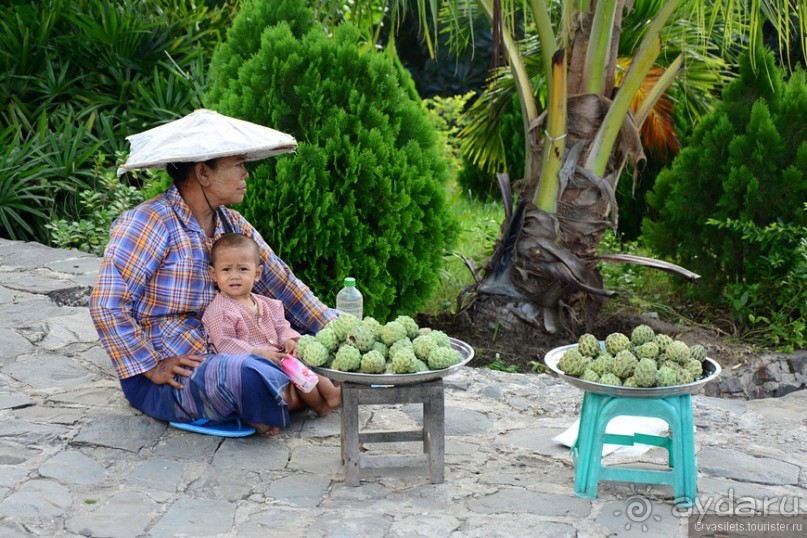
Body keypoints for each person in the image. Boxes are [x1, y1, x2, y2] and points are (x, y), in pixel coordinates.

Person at [89, 148, 339, 437]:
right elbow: (106, 304)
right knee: (249, 377)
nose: (246, 173)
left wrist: (340, 332)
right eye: (238, 164)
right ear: (203, 172)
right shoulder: (150, 222)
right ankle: (284, 394)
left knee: (307, 349)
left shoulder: (232, 225)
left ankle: (271, 402)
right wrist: (150, 365)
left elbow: (284, 285)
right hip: (171, 373)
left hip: (235, 351)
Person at [202, 232, 341, 416]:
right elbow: (224, 342)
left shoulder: (268, 304)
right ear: (214, 274)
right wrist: (256, 352)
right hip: (256, 363)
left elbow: (281, 326)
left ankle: (330, 392)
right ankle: (322, 404)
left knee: (303, 358)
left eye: (243, 269)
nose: (234, 276)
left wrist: (290, 339)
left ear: (257, 273)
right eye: (226, 270)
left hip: (280, 356)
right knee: (298, 373)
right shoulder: (219, 310)